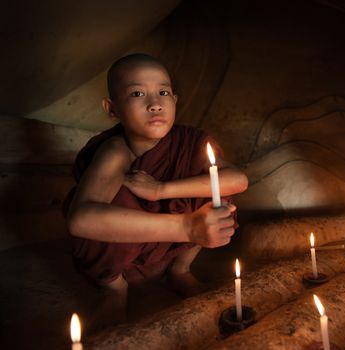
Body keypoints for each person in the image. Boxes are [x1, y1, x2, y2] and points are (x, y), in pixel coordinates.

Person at [64, 53, 248, 327]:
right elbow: (80, 220)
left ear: (174, 100)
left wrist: (161, 190)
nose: (155, 104)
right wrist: (186, 227)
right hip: (124, 259)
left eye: (163, 92)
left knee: (216, 188)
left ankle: (180, 270)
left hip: (172, 250)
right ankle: (114, 291)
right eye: (137, 93)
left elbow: (238, 179)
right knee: (101, 203)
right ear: (112, 108)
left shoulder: (188, 142)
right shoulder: (116, 150)